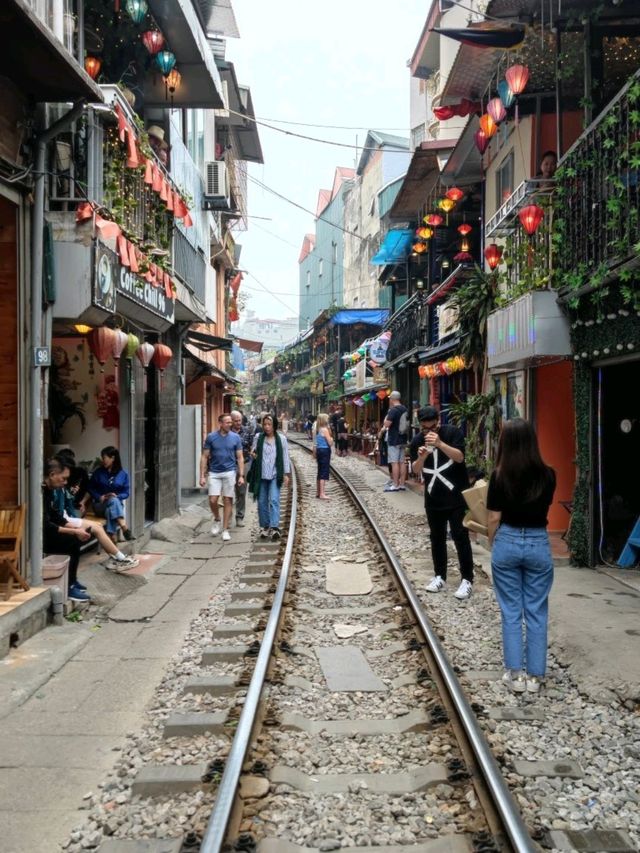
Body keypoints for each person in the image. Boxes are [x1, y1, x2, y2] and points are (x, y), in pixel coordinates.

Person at [487, 418, 556, 694]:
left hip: (508, 541)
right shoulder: (549, 475)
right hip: (539, 542)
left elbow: (493, 517)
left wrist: (494, 543)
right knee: (537, 611)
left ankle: (515, 675)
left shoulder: (499, 475)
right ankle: (535, 677)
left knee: (511, 611)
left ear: (506, 442)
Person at [43, 461, 139, 602]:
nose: (65, 482)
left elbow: (54, 515)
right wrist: (74, 531)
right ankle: (69, 586)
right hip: (40, 538)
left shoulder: (49, 490)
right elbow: (46, 525)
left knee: (78, 538)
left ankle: (72, 581)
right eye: (63, 478)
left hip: (54, 527)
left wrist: (74, 528)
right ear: (52, 475)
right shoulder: (42, 491)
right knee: (72, 541)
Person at [410, 405, 474, 600]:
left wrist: (439, 444)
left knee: (460, 536)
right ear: (420, 425)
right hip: (433, 498)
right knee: (436, 538)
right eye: (425, 428)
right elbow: (415, 470)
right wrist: (422, 457)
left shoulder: (452, 433)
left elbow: (460, 457)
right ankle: (439, 576)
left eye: (433, 427)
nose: (429, 432)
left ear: (438, 422)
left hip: (455, 496)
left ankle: (467, 579)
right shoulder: (417, 441)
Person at [200, 413, 244, 542]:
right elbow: (204, 456)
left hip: (230, 472)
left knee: (228, 500)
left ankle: (225, 530)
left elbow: (240, 457)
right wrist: (202, 476)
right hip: (214, 472)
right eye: (227, 422)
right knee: (213, 500)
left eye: (231, 422)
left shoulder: (236, 437)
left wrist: (241, 475)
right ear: (220, 423)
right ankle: (217, 519)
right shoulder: (211, 437)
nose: (230, 424)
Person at [248, 414, 290, 539]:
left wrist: (286, 474)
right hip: (260, 475)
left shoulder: (281, 439)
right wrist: (253, 454)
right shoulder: (258, 437)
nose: (266, 427)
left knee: (274, 500)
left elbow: (285, 457)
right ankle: (265, 526)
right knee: (261, 501)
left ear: (274, 425)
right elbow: (253, 451)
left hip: (274, 475)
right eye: (264, 424)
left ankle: (275, 527)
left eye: (269, 424)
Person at [88, 447, 135, 543]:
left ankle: (112, 536)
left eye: (104, 457)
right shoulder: (98, 472)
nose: (102, 460)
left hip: (114, 506)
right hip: (100, 505)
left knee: (112, 507)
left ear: (112, 458)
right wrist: (99, 496)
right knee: (113, 503)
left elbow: (126, 493)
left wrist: (117, 496)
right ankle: (124, 528)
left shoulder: (123, 474)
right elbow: (90, 488)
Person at [380, 391, 408, 492]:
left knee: (394, 462)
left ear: (392, 399)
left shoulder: (393, 410)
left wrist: (385, 421)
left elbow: (387, 425)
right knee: (402, 462)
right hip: (403, 438)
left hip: (394, 439)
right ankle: (402, 484)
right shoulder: (404, 408)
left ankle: (395, 485)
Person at [231, 409, 254, 528]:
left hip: (243, 463)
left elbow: (252, 447)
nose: (238, 423)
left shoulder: (247, 431)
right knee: (228, 491)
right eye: (236, 421)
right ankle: (227, 516)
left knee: (241, 491)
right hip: (229, 464)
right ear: (231, 421)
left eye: (239, 420)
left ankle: (239, 516)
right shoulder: (227, 432)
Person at [314, 412, 333, 500]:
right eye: (327, 419)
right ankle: (322, 493)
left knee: (319, 471)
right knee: (324, 472)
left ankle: (318, 492)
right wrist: (332, 439)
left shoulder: (318, 429)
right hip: (325, 450)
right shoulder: (325, 430)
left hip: (319, 450)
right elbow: (330, 443)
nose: (328, 420)